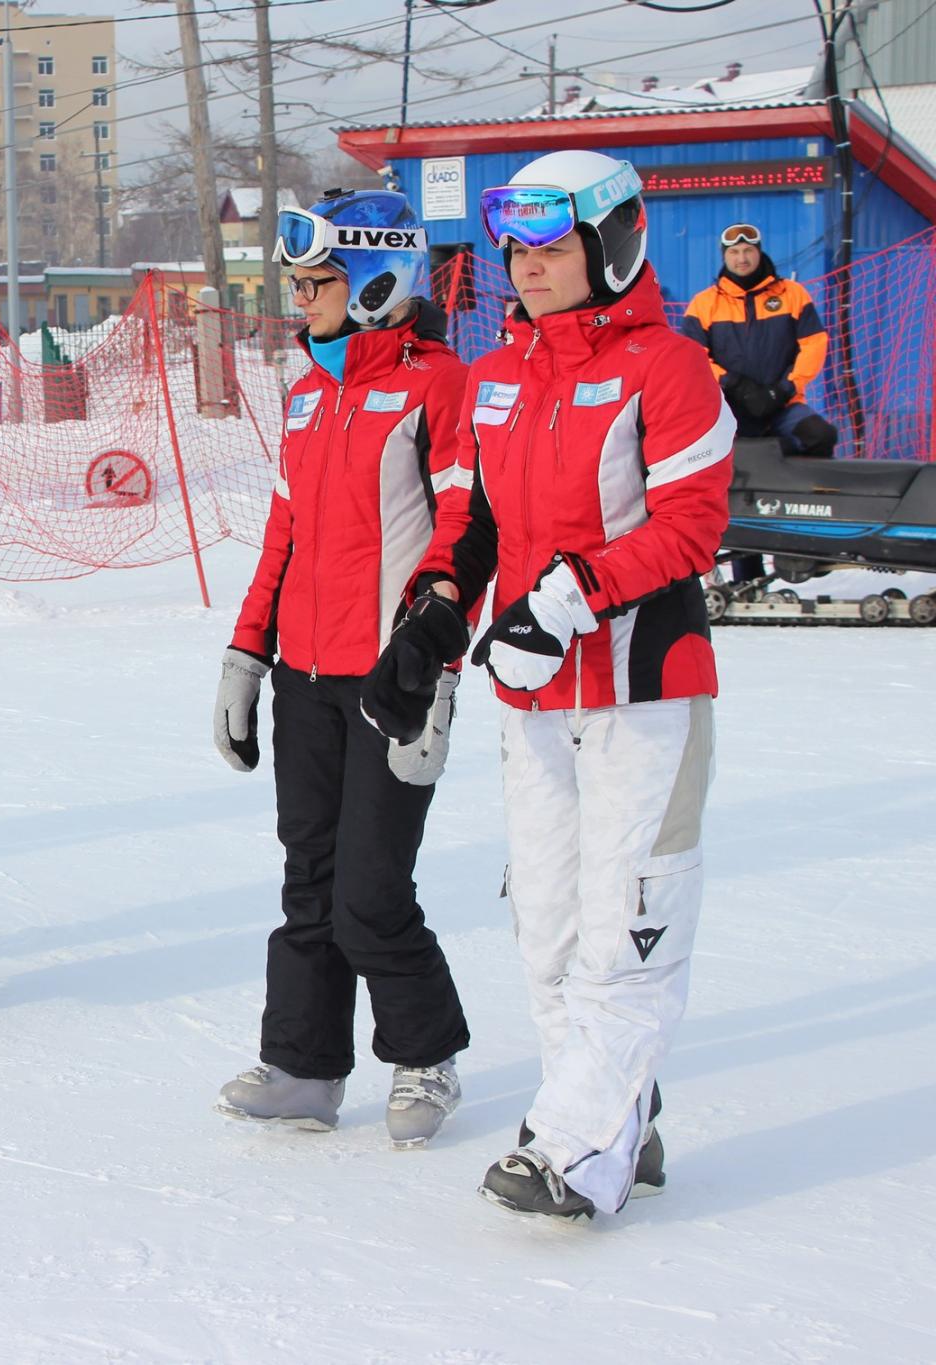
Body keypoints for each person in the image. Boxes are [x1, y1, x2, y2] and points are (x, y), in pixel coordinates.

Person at [363, 151, 733, 1220]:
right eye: (516, 248)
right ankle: (609, 1115)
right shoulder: (495, 377)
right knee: (549, 929)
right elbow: (471, 526)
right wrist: (433, 615)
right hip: (531, 699)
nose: (527, 266)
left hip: (641, 690)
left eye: (553, 245)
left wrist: (565, 600)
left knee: (629, 924)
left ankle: (573, 1145)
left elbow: (690, 528)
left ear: (611, 244)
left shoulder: (670, 368)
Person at [210, 189, 473, 1147]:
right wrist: (248, 653)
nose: (301, 298)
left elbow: (462, 530)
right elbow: (283, 534)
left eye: (319, 281)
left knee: (370, 891)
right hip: (305, 676)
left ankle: (426, 1055)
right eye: (299, 282)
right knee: (309, 882)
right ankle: (304, 1066)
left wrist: (435, 660)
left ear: (375, 282)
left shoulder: (438, 384)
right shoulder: (308, 395)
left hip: (392, 679)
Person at [680, 223, 835, 582]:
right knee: (736, 476)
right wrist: (733, 384)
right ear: (725, 257)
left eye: (748, 250)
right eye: (734, 252)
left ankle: (807, 537)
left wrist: (785, 388)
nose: (742, 258)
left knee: (820, 435)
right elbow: (693, 356)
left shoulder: (792, 294)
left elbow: (814, 344)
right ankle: (746, 573)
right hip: (731, 411)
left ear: (759, 251)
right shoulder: (705, 303)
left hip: (783, 405)